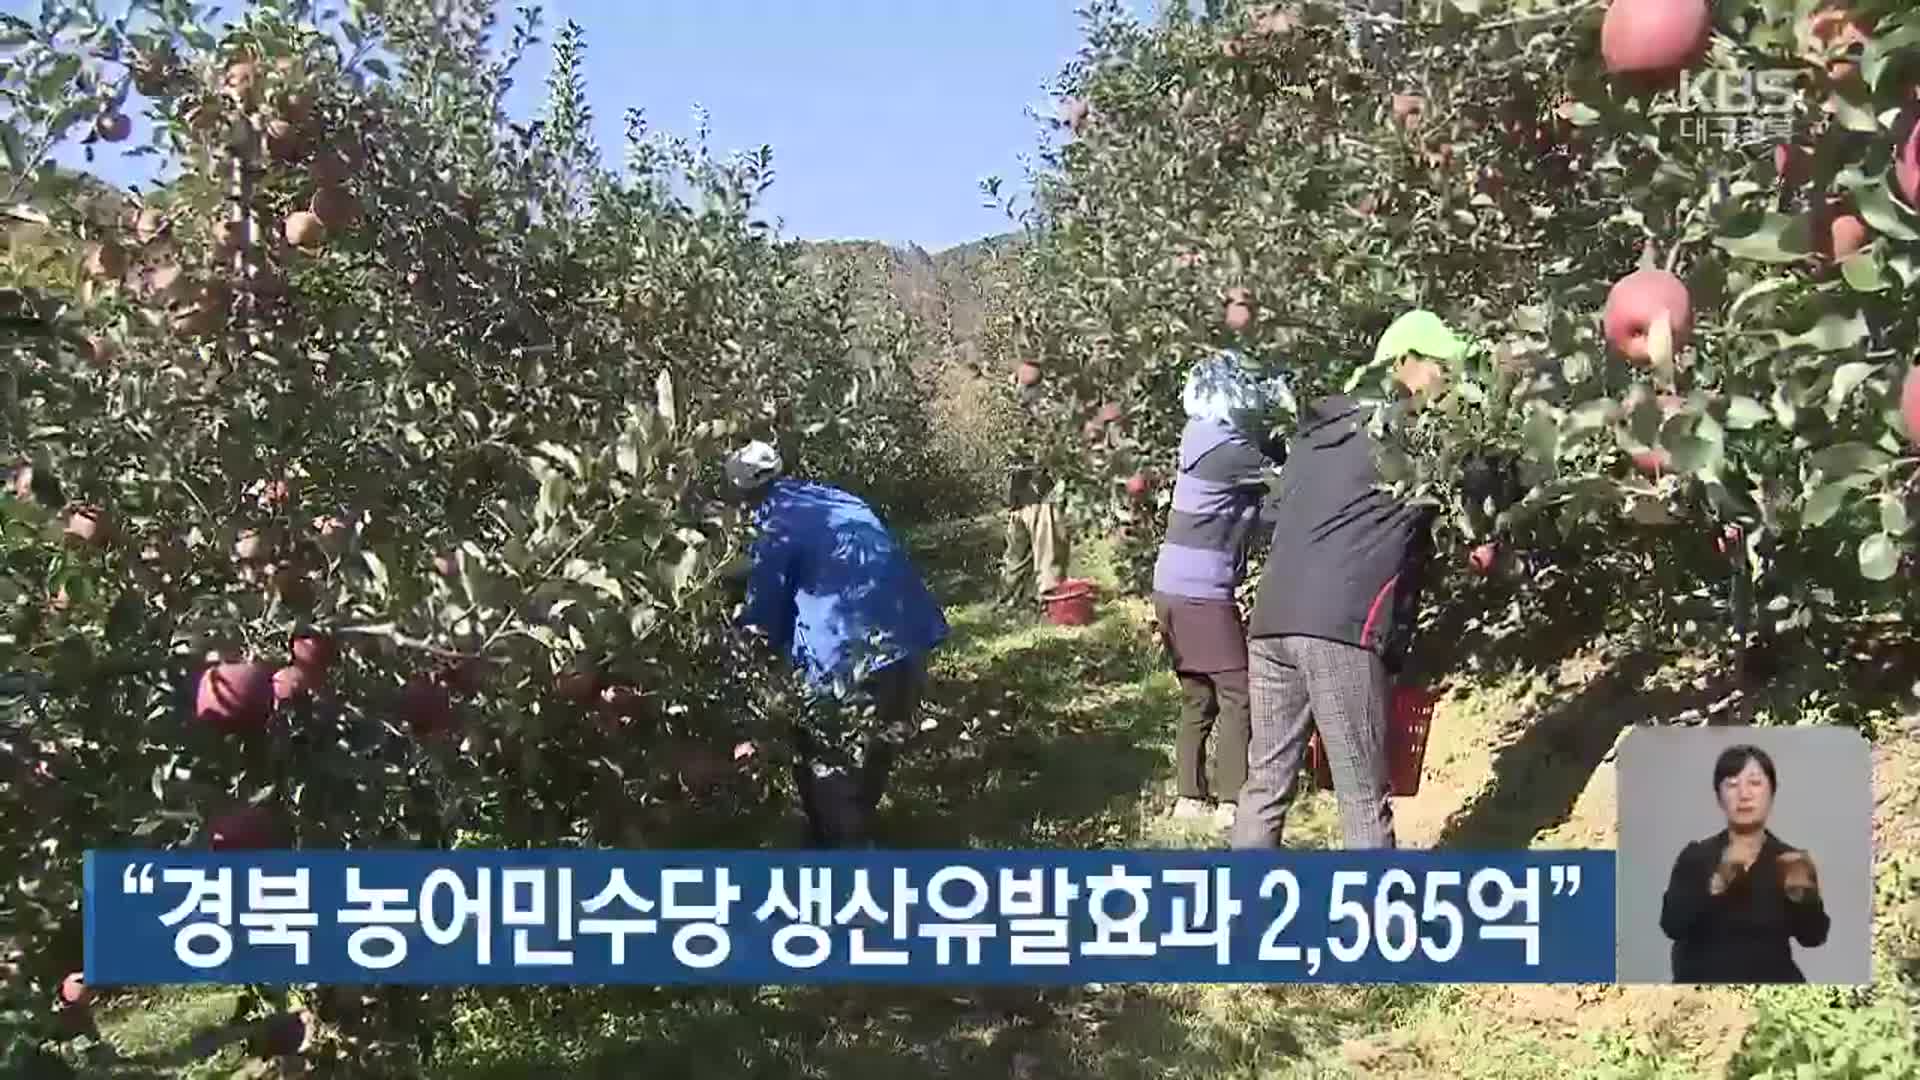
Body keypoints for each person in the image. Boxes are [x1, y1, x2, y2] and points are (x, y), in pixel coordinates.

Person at [1231, 311, 1516, 850]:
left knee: (1266, 783)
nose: (1450, 381)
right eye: (1443, 368)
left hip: (1272, 620)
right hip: (1339, 626)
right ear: (1406, 364)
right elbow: (1478, 483)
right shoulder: (1410, 430)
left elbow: (1276, 512)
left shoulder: (1319, 428)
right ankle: (1379, 924)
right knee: (1362, 797)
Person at [727, 440, 950, 848]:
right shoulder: (836, 497)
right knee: (880, 739)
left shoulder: (774, 523)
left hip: (846, 653)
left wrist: (740, 655)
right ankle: (851, 833)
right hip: (906, 636)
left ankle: (847, 868)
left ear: (742, 494)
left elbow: (764, 612)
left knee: (829, 763)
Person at [1151, 352, 1287, 827]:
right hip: (1200, 592)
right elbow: (1288, 486)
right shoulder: (1231, 450)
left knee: (1198, 694)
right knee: (1238, 690)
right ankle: (1232, 801)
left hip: (1170, 587)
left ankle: (1190, 797)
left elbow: (1258, 509)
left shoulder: (1199, 439)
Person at [1659, 744, 1830, 984]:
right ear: (1719, 796)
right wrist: (1720, 880)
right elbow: (1672, 925)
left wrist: (1803, 897)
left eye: (1755, 783)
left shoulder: (1791, 860)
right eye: (1732, 784)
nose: (1744, 794)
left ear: (1772, 792)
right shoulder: (1696, 856)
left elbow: (1813, 937)